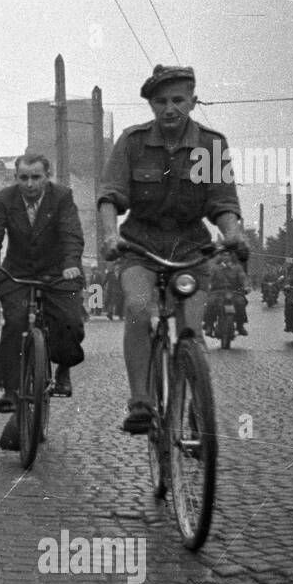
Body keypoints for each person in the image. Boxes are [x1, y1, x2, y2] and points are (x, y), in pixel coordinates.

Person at [98, 65, 245, 433]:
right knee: (136, 306)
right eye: (160, 101)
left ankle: (196, 402)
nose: (169, 108)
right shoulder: (132, 142)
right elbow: (109, 197)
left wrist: (232, 232)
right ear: (150, 105)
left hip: (191, 248)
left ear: (193, 101)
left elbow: (222, 202)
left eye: (178, 100)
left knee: (191, 330)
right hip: (139, 245)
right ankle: (141, 402)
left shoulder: (211, 144)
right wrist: (109, 235)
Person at [0, 153, 85, 427]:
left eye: (36, 177)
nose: (29, 184)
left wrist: (71, 264)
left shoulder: (62, 197)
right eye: (23, 178)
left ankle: (62, 369)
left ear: (47, 176)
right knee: (15, 322)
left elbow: (71, 234)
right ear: (16, 178)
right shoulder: (5, 198)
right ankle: (10, 389)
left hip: (58, 272)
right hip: (18, 272)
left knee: (70, 322)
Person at [203, 251, 250, 337]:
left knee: (241, 303)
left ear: (231, 257)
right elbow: (209, 279)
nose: (226, 257)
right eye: (224, 255)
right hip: (217, 292)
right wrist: (208, 286)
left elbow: (243, 278)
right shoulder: (215, 268)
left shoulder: (237, 268)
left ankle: (240, 326)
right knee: (210, 303)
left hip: (233, 292)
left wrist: (246, 287)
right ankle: (209, 325)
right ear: (221, 257)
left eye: (228, 255)